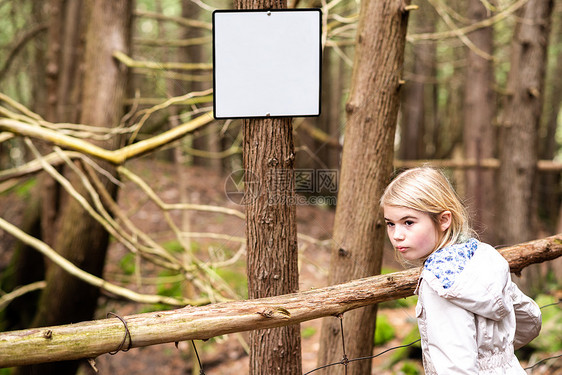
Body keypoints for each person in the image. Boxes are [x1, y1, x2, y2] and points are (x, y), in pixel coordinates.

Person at [380, 167, 542, 374]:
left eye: (408, 222)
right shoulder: (483, 257)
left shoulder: (439, 284)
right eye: (390, 224)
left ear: (443, 220)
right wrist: (495, 355)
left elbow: (456, 369)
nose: (397, 235)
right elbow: (531, 319)